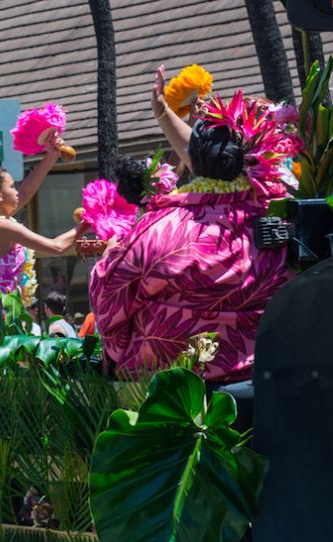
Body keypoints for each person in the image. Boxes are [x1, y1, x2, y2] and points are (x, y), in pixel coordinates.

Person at [89, 66, 295, 383]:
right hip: (275, 378)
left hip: (172, 389)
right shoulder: (287, 216)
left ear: (194, 162)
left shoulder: (157, 229)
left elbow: (109, 306)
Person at [0, 138, 90, 314]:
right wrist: (90, 221)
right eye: (12, 186)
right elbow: (57, 247)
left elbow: (25, 192)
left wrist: (51, 156)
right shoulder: (2, 226)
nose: (17, 191)